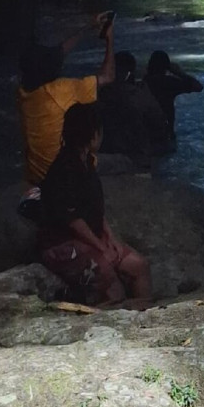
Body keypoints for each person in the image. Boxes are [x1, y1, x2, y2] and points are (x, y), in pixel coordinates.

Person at [37, 102, 152, 307]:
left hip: (90, 236)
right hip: (63, 243)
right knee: (109, 281)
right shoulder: (65, 169)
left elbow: (95, 211)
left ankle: (146, 318)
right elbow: (72, 219)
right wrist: (100, 248)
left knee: (139, 266)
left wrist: (111, 239)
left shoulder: (87, 163)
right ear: (92, 135)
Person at [18, 12, 115, 184]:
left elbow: (58, 53)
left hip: (36, 174)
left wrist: (87, 28)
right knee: (125, 163)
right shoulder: (62, 90)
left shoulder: (23, 93)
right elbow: (108, 76)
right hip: (63, 175)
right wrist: (109, 39)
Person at [97, 52, 171, 165]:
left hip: (106, 152)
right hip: (134, 157)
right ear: (130, 72)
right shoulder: (139, 95)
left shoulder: (99, 94)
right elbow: (160, 125)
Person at [144, 50, 203, 143]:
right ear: (167, 67)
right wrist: (179, 73)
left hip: (145, 133)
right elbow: (198, 87)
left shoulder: (143, 83)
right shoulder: (168, 83)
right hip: (165, 133)